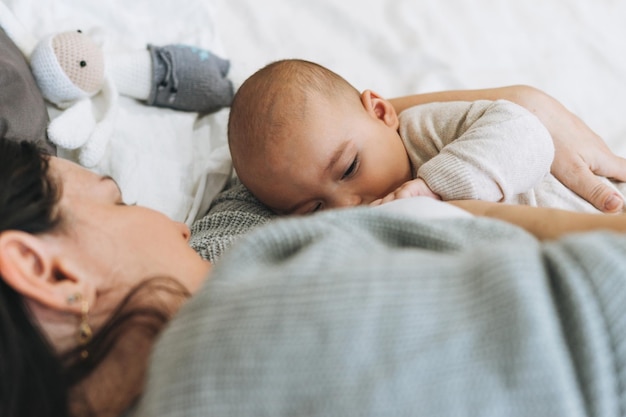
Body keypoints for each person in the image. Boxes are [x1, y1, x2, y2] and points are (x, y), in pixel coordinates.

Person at [2, 84, 626, 417]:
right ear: (45, 268)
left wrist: (515, 104)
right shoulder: (230, 331)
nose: (175, 225)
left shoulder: (214, 253)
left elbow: (291, 143)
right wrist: (452, 200)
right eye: (117, 203)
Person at [228, 59, 626, 215]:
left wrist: (434, 187)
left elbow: (528, 131)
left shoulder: (425, 130)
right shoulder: (369, 224)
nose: (347, 205)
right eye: (314, 208)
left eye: (349, 168)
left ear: (382, 113)